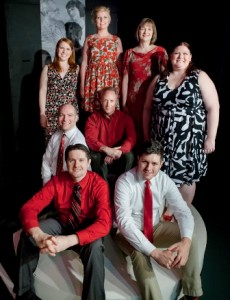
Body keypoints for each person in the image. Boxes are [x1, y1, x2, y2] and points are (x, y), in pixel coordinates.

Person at [14, 143, 112, 300]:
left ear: (89, 163)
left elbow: (104, 223)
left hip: (87, 227)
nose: (76, 165)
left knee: (95, 248)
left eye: (81, 160)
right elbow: (28, 208)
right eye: (71, 160)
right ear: (66, 163)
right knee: (29, 234)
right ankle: (23, 292)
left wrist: (70, 240)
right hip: (63, 222)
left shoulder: (99, 184)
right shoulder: (58, 180)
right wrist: (38, 235)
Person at [113, 139, 203, 300]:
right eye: (145, 162)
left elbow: (183, 211)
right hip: (127, 232)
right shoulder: (124, 182)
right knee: (140, 256)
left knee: (191, 237)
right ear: (138, 159)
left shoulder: (164, 180)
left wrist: (186, 243)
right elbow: (124, 222)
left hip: (155, 227)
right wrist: (155, 253)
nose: (149, 168)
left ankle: (192, 291)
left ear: (161, 163)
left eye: (154, 163)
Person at [143, 41, 219, 218]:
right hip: (160, 139)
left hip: (189, 140)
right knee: (159, 174)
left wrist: (211, 137)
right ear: (170, 56)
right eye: (177, 53)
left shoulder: (199, 76)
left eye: (185, 54)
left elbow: (213, 107)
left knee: (186, 177)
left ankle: (181, 214)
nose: (181, 57)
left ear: (190, 58)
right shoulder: (159, 78)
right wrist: (147, 135)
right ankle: (162, 214)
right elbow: (147, 108)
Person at [122, 18, 168, 146]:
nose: (146, 31)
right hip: (133, 101)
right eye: (143, 28)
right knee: (133, 134)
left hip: (153, 99)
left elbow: (165, 78)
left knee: (149, 133)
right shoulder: (129, 53)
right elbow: (125, 79)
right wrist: (124, 103)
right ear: (138, 31)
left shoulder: (160, 51)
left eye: (149, 29)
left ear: (153, 33)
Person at [84, 86, 136, 186]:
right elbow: (90, 139)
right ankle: (103, 187)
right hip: (101, 154)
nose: (108, 104)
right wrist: (107, 150)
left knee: (129, 155)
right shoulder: (93, 118)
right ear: (100, 101)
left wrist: (119, 151)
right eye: (105, 100)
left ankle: (121, 185)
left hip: (118, 154)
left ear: (116, 102)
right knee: (94, 156)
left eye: (111, 101)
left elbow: (131, 138)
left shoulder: (125, 118)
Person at [80, 5, 123, 116]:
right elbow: (84, 63)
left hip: (111, 79)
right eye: (99, 17)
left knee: (110, 113)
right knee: (94, 114)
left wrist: (121, 86)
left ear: (109, 20)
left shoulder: (116, 40)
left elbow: (120, 65)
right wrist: (82, 86)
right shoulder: (89, 39)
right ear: (94, 20)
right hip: (93, 80)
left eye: (105, 17)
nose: (102, 20)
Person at [39, 37, 80, 144]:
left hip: (69, 113)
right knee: (51, 144)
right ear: (57, 49)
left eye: (67, 49)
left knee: (69, 144)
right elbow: (42, 91)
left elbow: (77, 93)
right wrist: (42, 113)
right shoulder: (48, 68)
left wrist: (76, 113)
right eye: (61, 48)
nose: (64, 51)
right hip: (52, 113)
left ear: (71, 52)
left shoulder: (76, 69)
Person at [41, 103, 89, 185]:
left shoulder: (78, 141)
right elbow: (46, 160)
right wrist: (47, 184)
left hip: (69, 184)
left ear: (76, 118)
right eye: (61, 115)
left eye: (70, 115)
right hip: (52, 181)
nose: (65, 119)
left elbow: (78, 173)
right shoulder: (57, 135)